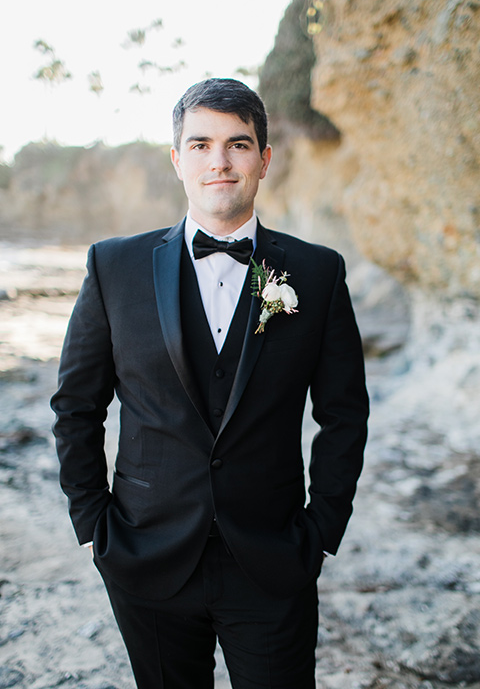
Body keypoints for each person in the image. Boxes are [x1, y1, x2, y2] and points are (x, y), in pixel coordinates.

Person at [51, 77, 369, 689]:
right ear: (177, 160)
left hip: (274, 559)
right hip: (144, 556)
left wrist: (323, 527)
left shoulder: (317, 272)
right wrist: (92, 525)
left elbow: (344, 413)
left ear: (264, 159)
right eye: (199, 145)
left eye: (238, 144)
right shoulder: (112, 266)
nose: (218, 161)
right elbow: (75, 405)